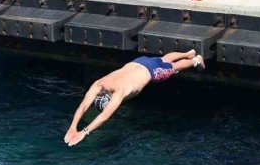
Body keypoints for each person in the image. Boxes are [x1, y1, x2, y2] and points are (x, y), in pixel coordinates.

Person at [63, 50, 205, 147]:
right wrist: (72, 127)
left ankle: (195, 60)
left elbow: (105, 116)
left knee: (175, 67)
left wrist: (83, 132)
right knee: (163, 59)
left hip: (153, 72)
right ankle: (187, 53)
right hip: (138, 62)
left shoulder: (119, 91)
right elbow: (83, 106)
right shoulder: (99, 84)